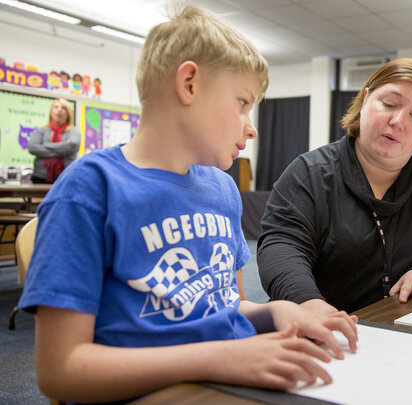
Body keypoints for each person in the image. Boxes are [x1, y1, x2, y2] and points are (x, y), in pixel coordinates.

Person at [18, 5, 357, 404]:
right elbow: (60, 371)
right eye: (243, 103)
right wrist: (219, 358)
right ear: (190, 84)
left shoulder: (222, 190)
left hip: (226, 377)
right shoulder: (91, 189)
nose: (251, 126)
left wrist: (272, 312)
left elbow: (222, 306)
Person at [258, 58, 412, 316]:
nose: (398, 121)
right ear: (365, 99)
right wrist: (307, 302)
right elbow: (282, 246)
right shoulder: (309, 174)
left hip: (407, 330)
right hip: (325, 330)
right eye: (389, 104)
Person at [27, 98, 81, 184]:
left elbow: (72, 145)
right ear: (51, 112)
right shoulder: (41, 131)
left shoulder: (74, 131)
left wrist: (46, 145)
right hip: (40, 178)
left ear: (68, 113)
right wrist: (62, 151)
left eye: (63, 108)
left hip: (66, 178)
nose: (59, 110)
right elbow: (32, 148)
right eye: (56, 107)